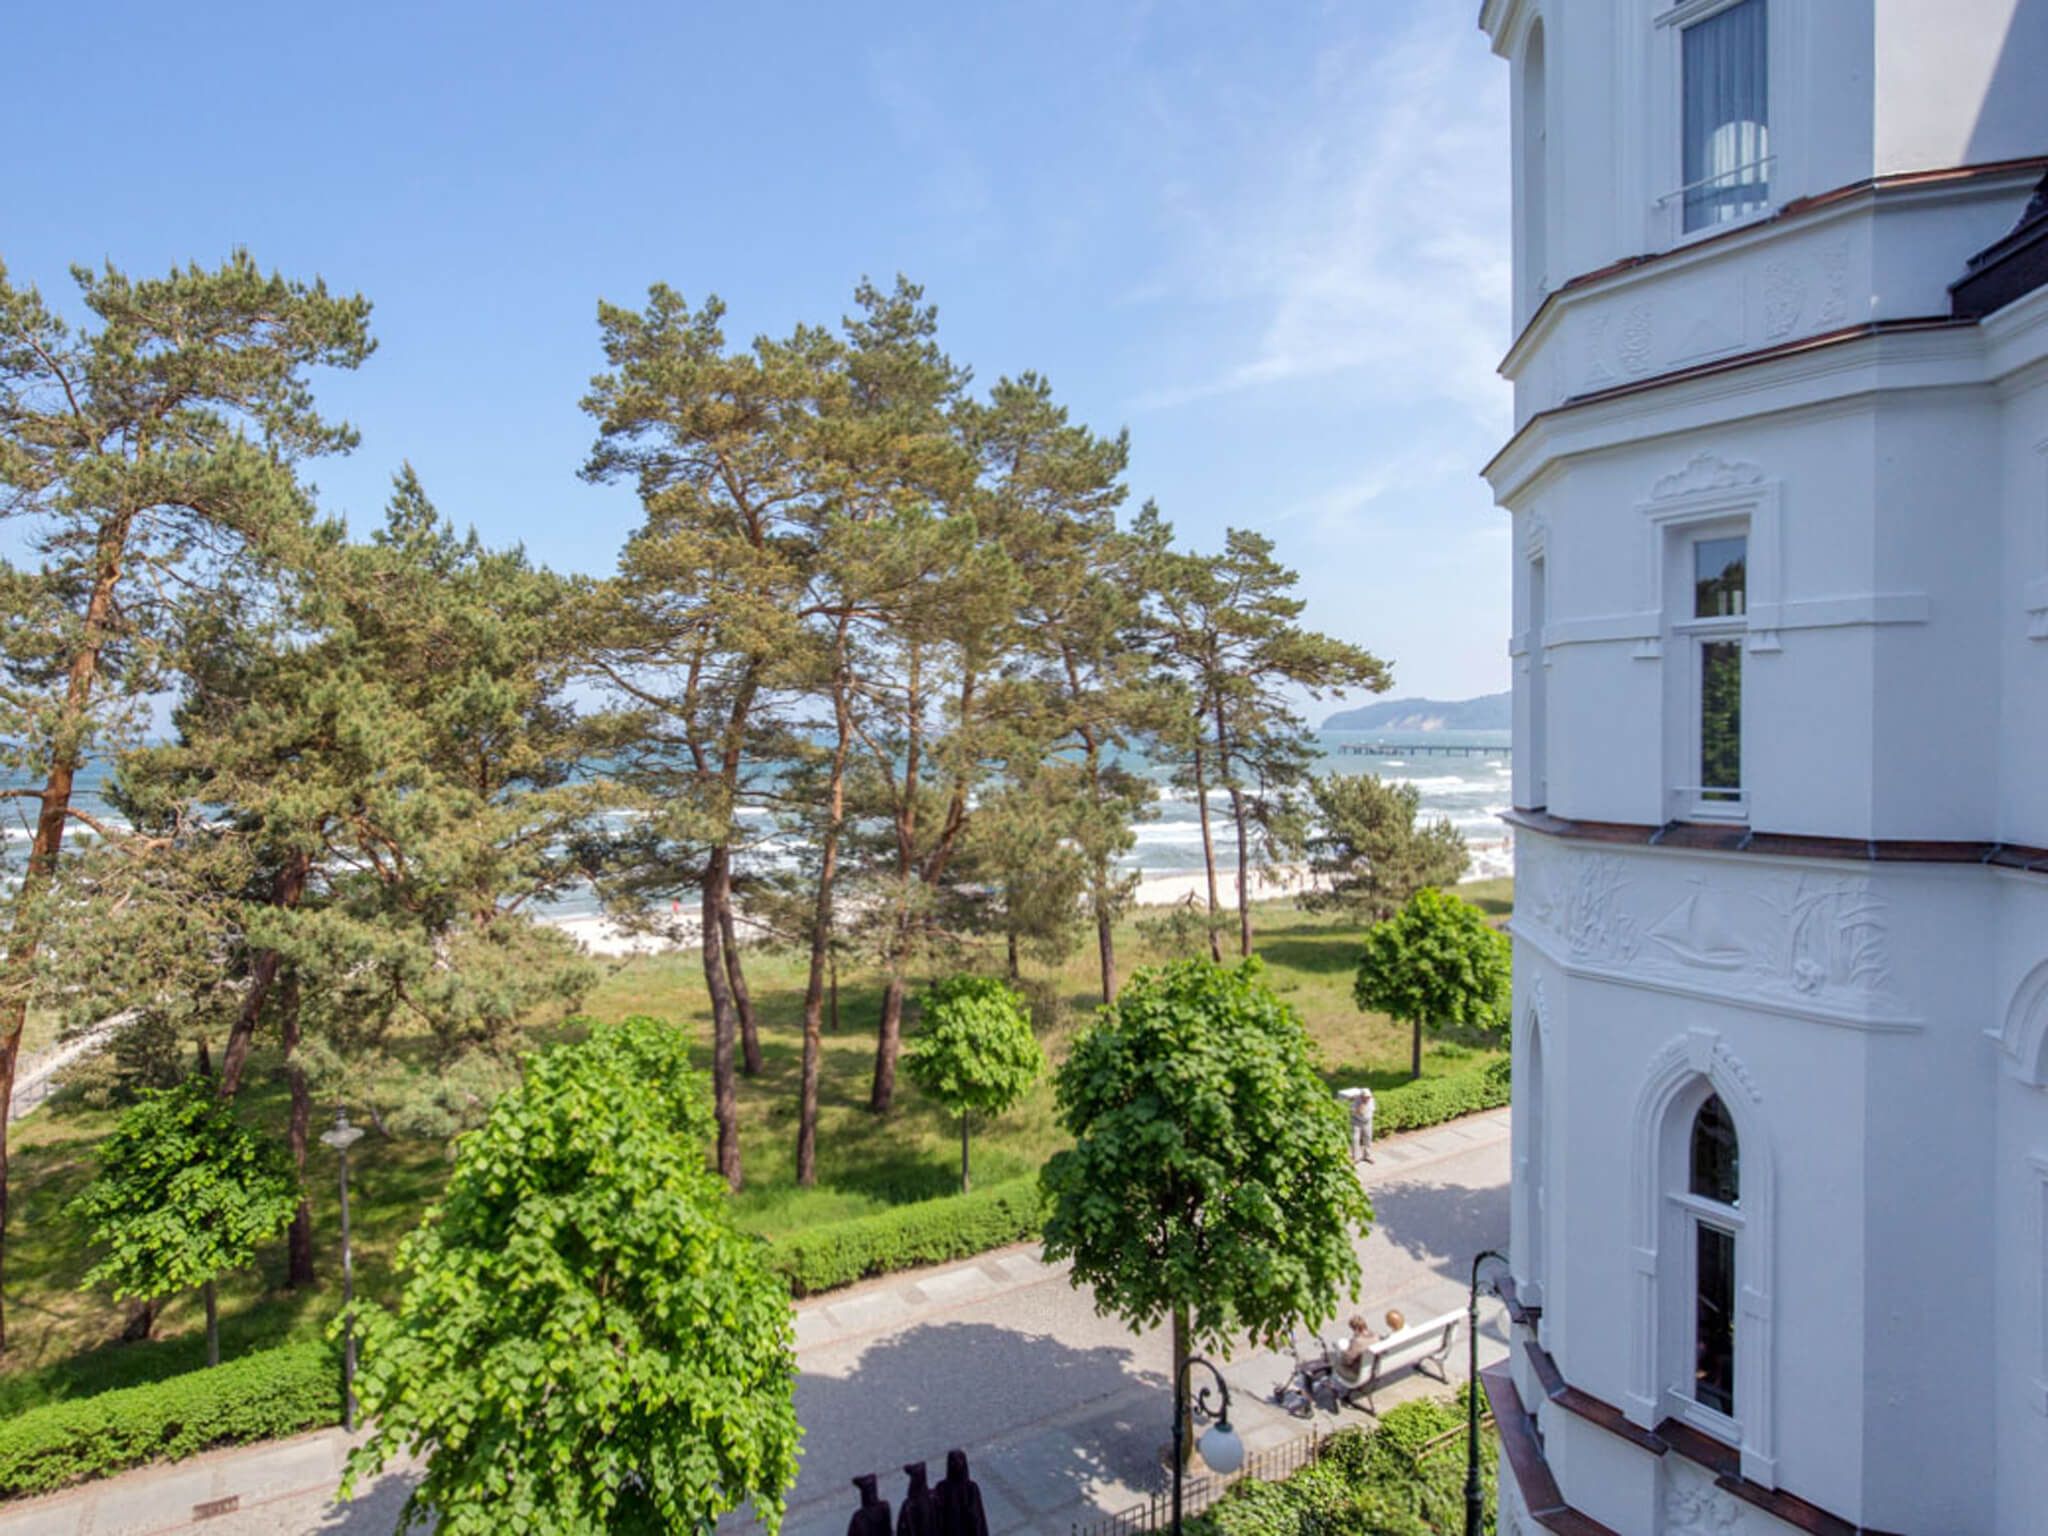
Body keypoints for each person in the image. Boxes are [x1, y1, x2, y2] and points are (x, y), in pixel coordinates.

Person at [1350, 1087, 1375, 1163]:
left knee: (1368, 1138)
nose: (1367, 1098)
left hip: (1367, 1122)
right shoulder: (1356, 1100)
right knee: (1355, 1139)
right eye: (1365, 1097)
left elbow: (1372, 1110)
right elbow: (1352, 1111)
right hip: (1357, 1122)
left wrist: (1366, 1114)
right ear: (1361, 1096)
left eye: (1368, 1097)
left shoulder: (1371, 1100)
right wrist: (1359, 1109)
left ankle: (1367, 1156)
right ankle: (1355, 1157)